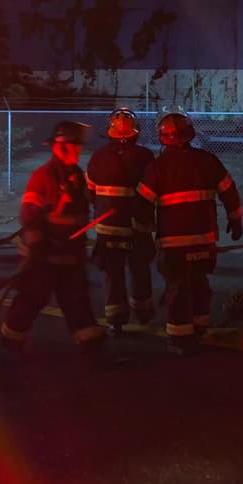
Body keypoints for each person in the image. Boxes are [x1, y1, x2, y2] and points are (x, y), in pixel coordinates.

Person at [136, 112, 242, 356]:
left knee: (177, 288)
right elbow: (229, 191)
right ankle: (200, 328)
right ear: (190, 134)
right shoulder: (208, 161)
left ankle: (180, 338)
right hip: (204, 239)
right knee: (200, 283)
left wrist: (141, 231)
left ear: (163, 138)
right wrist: (235, 220)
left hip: (173, 243)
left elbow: (143, 205)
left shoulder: (157, 167)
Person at [0, 121, 107, 357]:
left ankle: (93, 350)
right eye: (73, 146)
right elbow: (29, 215)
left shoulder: (77, 176)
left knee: (78, 302)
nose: (77, 151)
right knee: (31, 300)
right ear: (60, 146)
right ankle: (11, 342)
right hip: (44, 256)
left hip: (70, 255)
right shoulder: (44, 176)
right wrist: (38, 243)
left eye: (79, 147)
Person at [85, 107, 156, 333]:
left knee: (113, 275)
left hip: (108, 228)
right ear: (135, 134)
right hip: (137, 227)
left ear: (111, 132)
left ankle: (116, 321)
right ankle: (143, 313)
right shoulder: (145, 156)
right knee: (140, 271)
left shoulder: (98, 157)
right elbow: (152, 191)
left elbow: (91, 191)